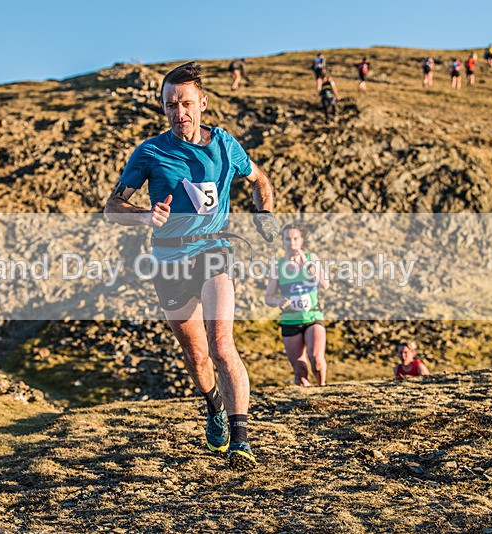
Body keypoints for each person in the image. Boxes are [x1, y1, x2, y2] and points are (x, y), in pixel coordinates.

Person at [104, 62, 280, 471]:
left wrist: (264, 214)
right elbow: (112, 207)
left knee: (221, 345)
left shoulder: (224, 145)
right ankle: (213, 405)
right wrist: (145, 216)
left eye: (185, 103)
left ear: (202, 103)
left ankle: (240, 441)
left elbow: (260, 180)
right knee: (197, 355)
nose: (178, 112)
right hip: (168, 259)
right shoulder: (150, 152)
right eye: (170, 104)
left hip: (214, 249)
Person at [265, 224, 329, 387]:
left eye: (295, 238)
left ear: (302, 241)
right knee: (299, 370)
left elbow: (324, 284)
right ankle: (307, 398)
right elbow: (268, 298)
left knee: (316, 359)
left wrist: (307, 265)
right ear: (283, 241)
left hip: (313, 316)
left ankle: (322, 388)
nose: (292, 243)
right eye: (288, 239)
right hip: (290, 319)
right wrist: (278, 302)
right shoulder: (278, 266)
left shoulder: (311, 258)